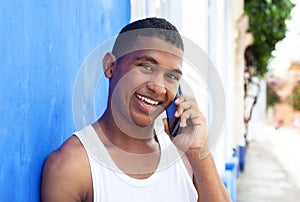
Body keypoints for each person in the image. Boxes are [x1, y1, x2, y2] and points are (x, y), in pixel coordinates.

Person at [41, 17, 231, 202]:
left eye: (172, 76)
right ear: (110, 66)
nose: (158, 87)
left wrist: (198, 153)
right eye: (146, 67)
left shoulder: (185, 156)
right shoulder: (73, 166)